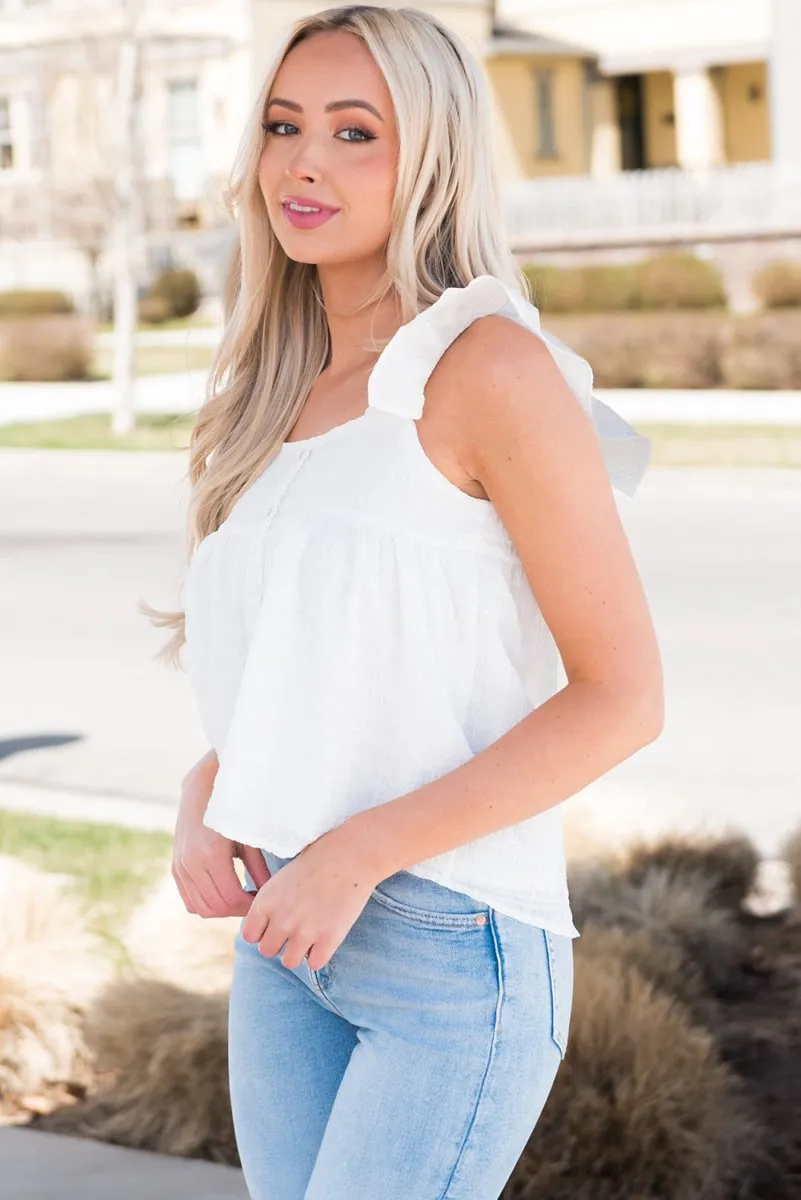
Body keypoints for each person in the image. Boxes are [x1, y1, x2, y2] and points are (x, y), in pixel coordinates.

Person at [157, 5, 664, 1197]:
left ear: (432, 158)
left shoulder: (487, 366)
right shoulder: (275, 392)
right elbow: (311, 668)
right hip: (291, 932)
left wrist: (356, 857)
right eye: (285, 126)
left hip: (449, 945)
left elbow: (623, 697)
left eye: (355, 132)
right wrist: (210, 791)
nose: (304, 163)